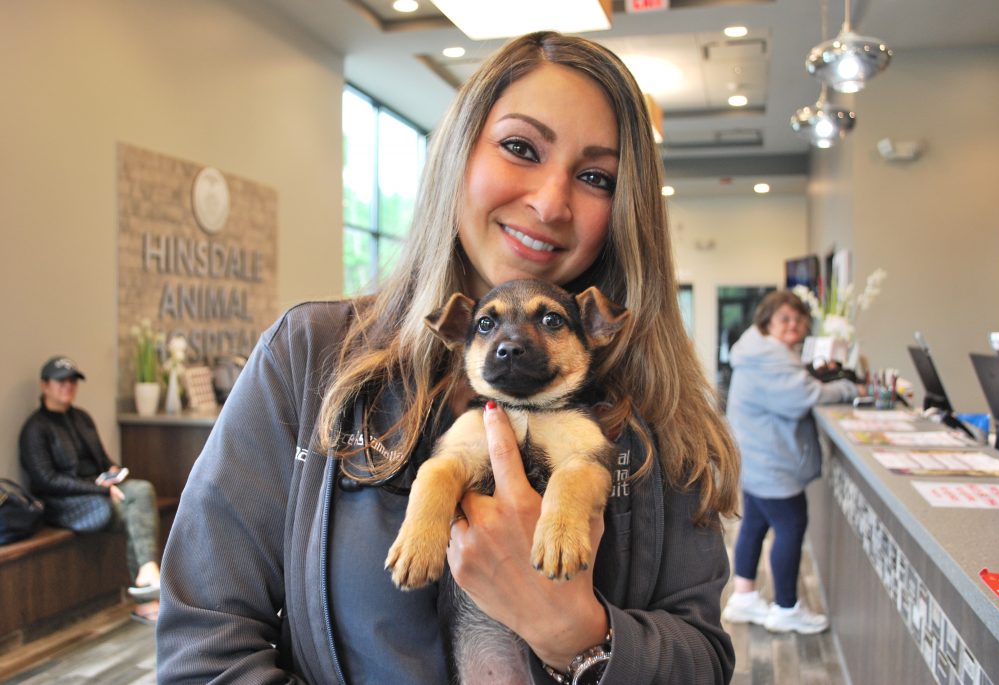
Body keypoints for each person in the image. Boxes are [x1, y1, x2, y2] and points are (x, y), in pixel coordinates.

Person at [157, 31, 740, 684]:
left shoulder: (660, 408)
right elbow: (204, 648)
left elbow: (704, 662)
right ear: (458, 154)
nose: (551, 203)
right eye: (521, 148)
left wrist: (578, 634)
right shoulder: (308, 357)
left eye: (595, 176)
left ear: (624, 206)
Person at [720, 291, 861, 634]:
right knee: (790, 526)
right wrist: (846, 388)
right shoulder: (770, 357)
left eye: (798, 320)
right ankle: (785, 608)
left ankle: (744, 597)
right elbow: (803, 397)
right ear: (767, 322)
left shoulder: (757, 349)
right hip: (772, 460)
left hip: (755, 454)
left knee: (754, 523)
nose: (793, 325)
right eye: (784, 318)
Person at [19, 356, 162, 625]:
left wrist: (113, 473)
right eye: (61, 381)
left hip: (100, 492)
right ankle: (147, 593)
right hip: (65, 503)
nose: (68, 387)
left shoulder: (82, 418)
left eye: (72, 381)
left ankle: (147, 574)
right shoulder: (35, 429)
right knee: (130, 511)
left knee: (142, 489)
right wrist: (97, 489)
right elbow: (46, 480)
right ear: (45, 385)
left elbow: (102, 460)